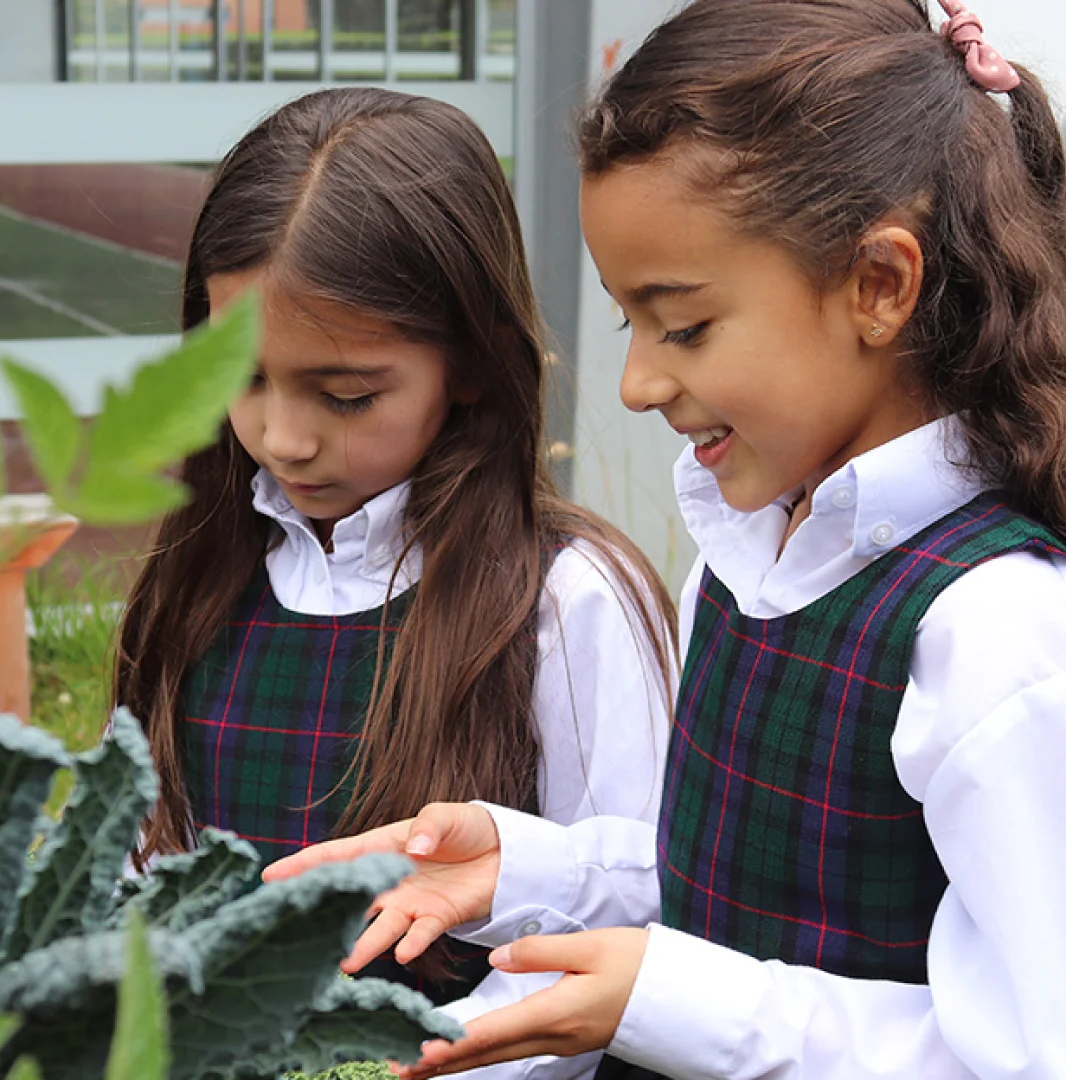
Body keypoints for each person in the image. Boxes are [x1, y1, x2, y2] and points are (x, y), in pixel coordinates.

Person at [263, 3, 1066, 1076]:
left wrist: (672, 998)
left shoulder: (1017, 649)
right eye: (628, 321)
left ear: (879, 285)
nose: (636, 382)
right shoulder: (751, 553)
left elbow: (1049, 1061)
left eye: (682, 325)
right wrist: (528, 869)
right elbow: (741, 882)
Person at [113, 86, 679, 1077]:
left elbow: (625, 913)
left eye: (345, 393)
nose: (283, 438)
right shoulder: (192, 582)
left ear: (470, 360)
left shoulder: (567, 600)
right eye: (239, 378)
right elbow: (137, 868)